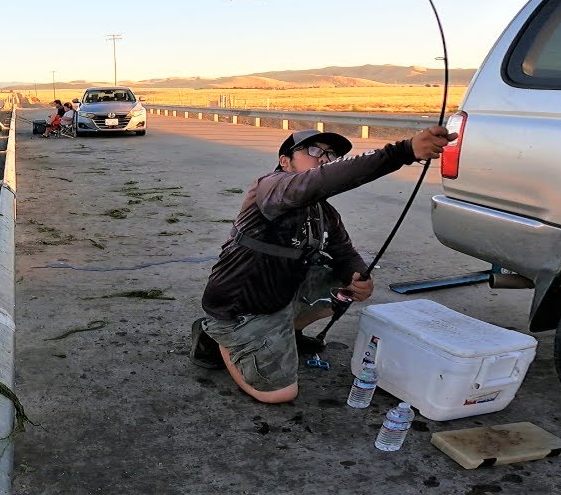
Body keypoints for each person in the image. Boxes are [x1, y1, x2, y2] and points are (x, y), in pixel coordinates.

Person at [190, 126, 455, 403]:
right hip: (241, 306)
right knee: (280, 395)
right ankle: (220, 334)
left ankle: (284, 333)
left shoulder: (323, 212)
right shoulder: (270, 187)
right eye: (314, 150)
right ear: (285, 161)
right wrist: (403, 151)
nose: (323, 158)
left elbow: (344, 253)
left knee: (342, 283)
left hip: (278, 297)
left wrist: (358, 278)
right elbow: (321, 181)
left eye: (330, 154)